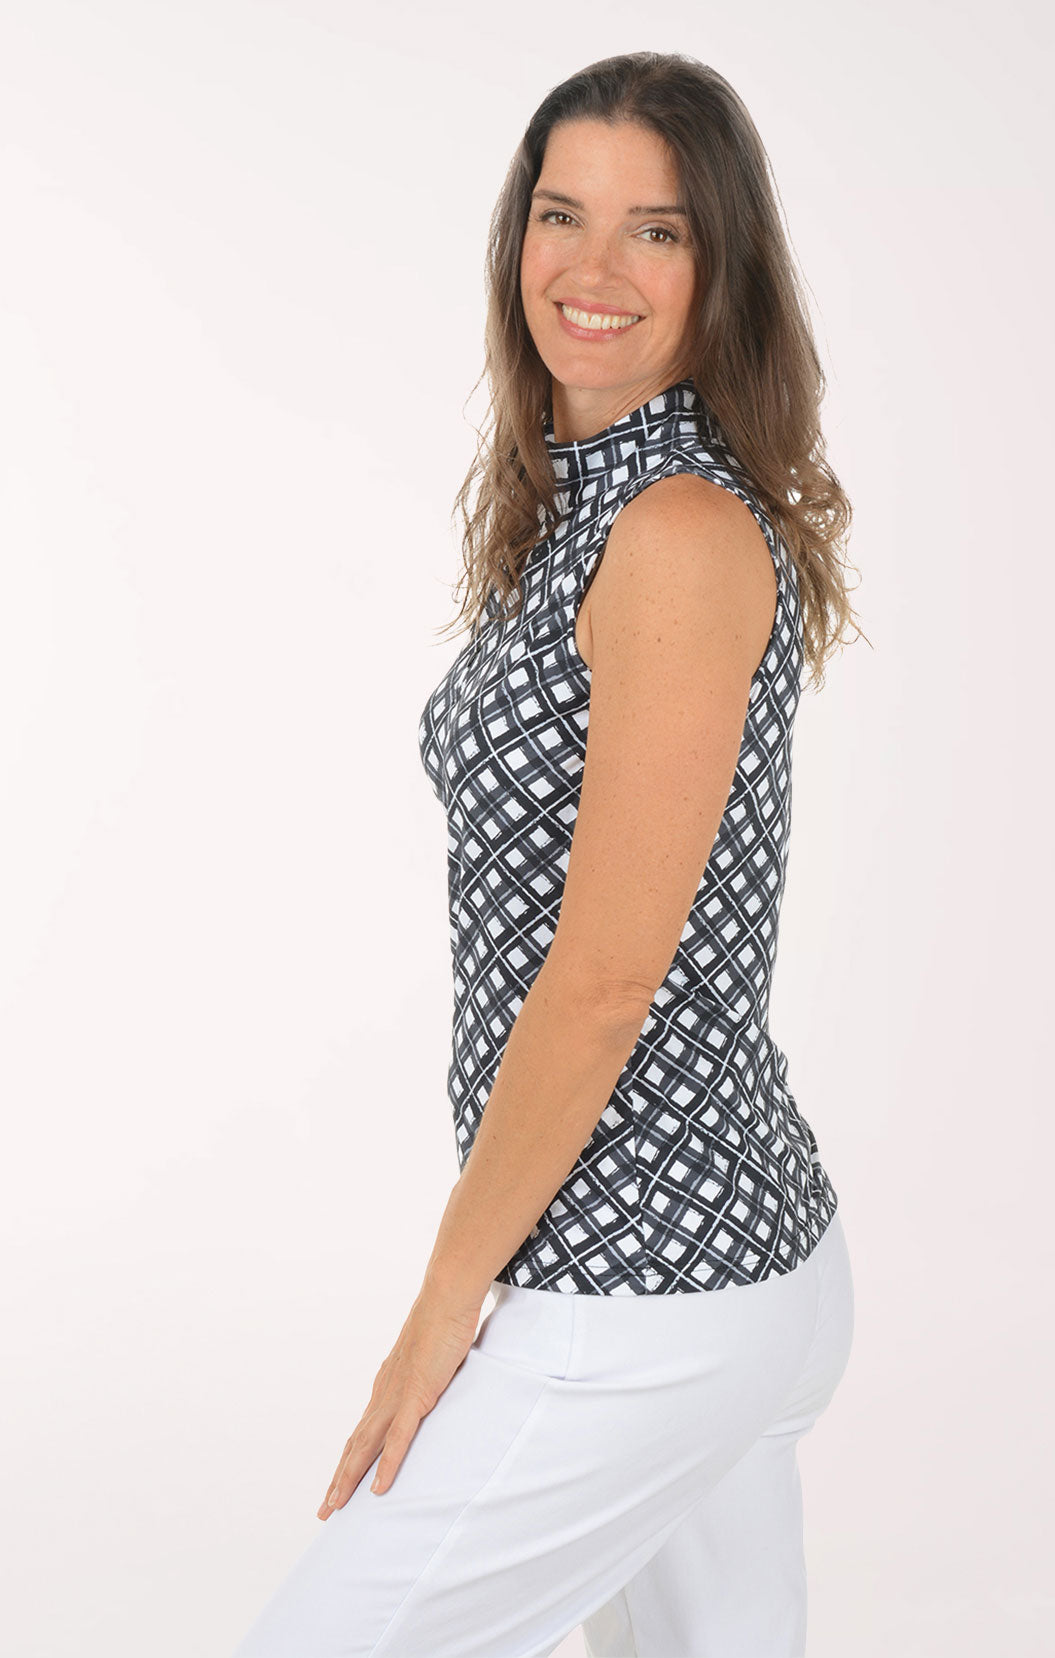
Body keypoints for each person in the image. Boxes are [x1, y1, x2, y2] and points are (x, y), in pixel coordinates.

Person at [231, 48, 862, 1658]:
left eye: (653, 231)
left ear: (718, 269)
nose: (591, 268)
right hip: (709, 1258)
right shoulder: (590, 507)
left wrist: (447, 1303)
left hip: (643, 1286)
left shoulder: (674, 531)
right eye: (560, 213)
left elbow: (598, 986)